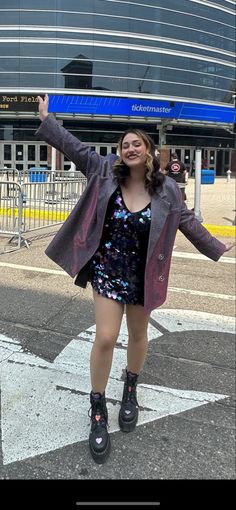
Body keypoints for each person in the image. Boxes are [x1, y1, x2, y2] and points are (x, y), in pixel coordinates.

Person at [36, 94, 235, 464]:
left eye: (136, 144)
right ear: (120, 152)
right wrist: (48, 120)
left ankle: (130, 386)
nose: (129, 148)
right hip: (109, 272)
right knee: (107, 337)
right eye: (124, 144)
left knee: (139, 335)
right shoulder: (102, 170)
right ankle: (97, 407)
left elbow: (188, 222)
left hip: (145, 276)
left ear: (148, 151)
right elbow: (73, 147)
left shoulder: (168, 190)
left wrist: (219, 248)